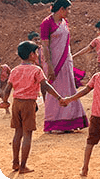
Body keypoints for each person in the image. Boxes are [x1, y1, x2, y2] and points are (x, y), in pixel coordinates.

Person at [0, 41, 64, 174]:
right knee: (27, 134)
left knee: (17, 133)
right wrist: (59, 97)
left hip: (16, 103)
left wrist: (5, 101)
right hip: (28, 104)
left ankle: (15, 163)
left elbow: (7, 89)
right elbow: (45, 86)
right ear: (31, 54)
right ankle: (23, 166)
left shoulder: (15, 70)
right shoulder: (36, 70)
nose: (37, 55)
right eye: (36, 52)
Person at [40, 0, 88, 133]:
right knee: (54, 90)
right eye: (68, 9)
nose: (69, 12)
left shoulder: (64, 22)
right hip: (54, 62)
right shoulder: (46, 23)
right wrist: (49, 65)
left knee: (69, 88)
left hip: (66, 61)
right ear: (61, 9)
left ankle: (70, 122)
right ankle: (54, 124)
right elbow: (45, 45)